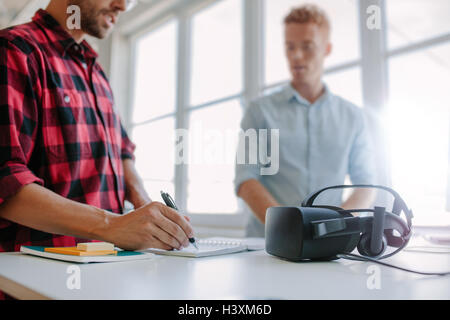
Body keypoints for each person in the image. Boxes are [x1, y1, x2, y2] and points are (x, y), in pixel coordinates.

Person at [0, 0, 193, 269]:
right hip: (37, 275)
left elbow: (122, 150)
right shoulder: (14, 49)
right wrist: (111, 224)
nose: (123, 6)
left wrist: (142, 202)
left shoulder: (96, 71)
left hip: (105, 267)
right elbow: (6, 181)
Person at [235, 4, 376, 237]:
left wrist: (333, 227)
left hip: (329, 245)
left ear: (327, 49)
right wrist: (286, 228)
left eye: (307, 47)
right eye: (290, 47)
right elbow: (246, 179)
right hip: (267, 246)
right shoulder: (258, 111)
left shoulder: (353, 117)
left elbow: (366, 185)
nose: (296, 56)